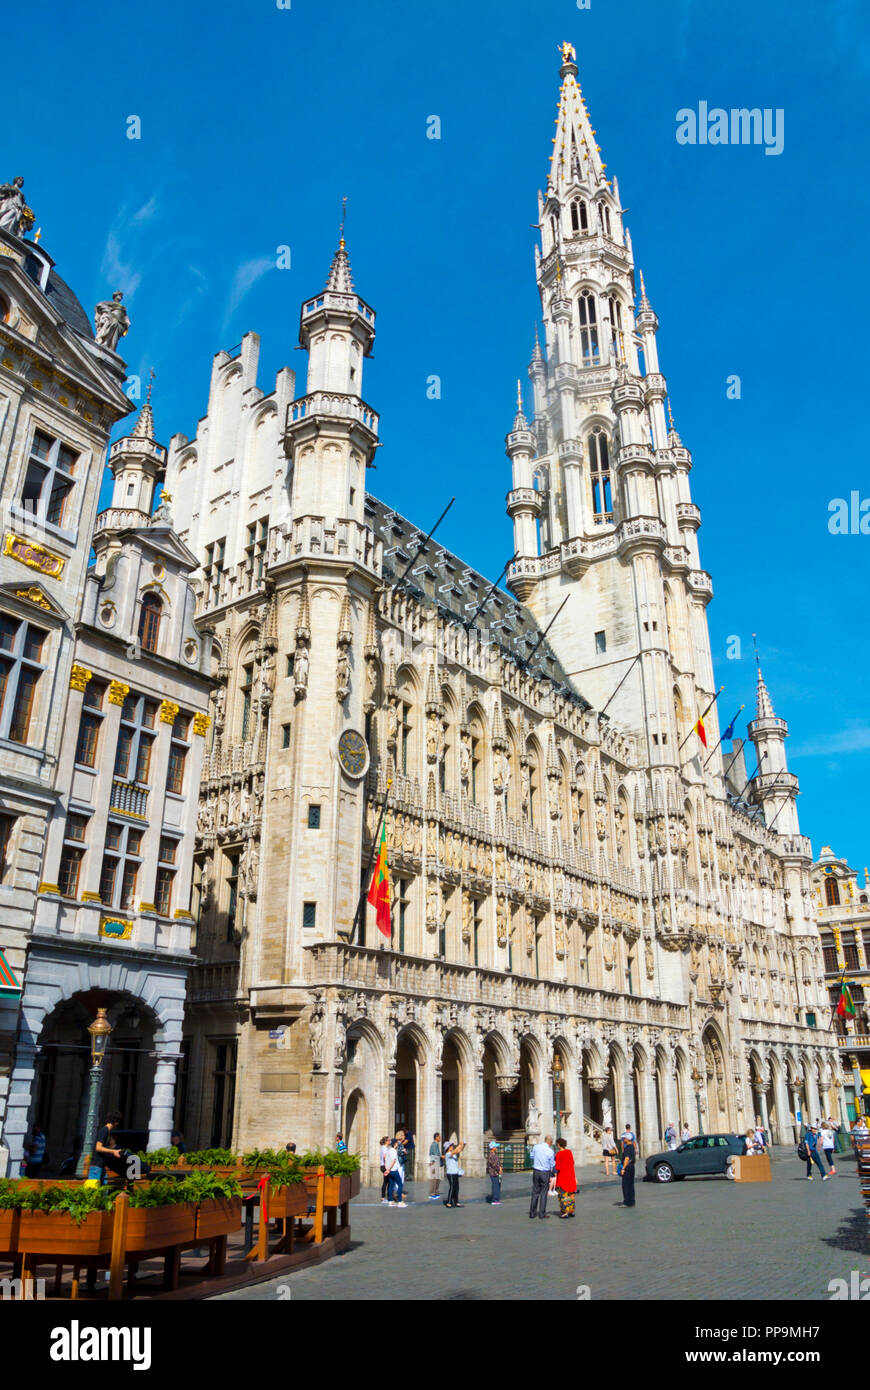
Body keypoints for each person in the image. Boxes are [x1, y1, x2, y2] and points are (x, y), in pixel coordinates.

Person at [92, 1110, 127, 1183]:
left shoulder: (107, 1131)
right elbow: (98, 1148)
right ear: (116, 1121)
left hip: (100, 1165)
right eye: (118, 1121)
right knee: (94, 1190)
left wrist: (115, 1150)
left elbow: (103, 1148)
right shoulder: (104, 1130)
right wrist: (113, 1151)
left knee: (104, 1190)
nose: (117, 1124)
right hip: (96, 1166)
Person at [529, 1134, 555, 1219]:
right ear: (550, 1142)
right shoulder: (550, 1151)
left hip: (536, 1171)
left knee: (535, 1191)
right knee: (543, 1193)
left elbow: (531, 1156)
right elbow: (552, 1164)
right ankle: (541, 1213)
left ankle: (532, 1213)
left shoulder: (536, 1147)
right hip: (545, 1172)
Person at [554, 1137, 577, 1218]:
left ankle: (565, 1212)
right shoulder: (569, 1152)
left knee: (564, 1195)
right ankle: (571, 1211)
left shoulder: (559, 1154)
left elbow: (557, 1167)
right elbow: (572, 1163)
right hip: (570, 1176)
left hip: (563, 1177)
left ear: (559, 1145)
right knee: (571, 1194)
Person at [443, 1140, 465, 1207]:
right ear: (448, 1148)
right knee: (452, 1187)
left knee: (457, 1188)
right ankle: (449, 1202)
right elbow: (455, 1151)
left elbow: (459, 1150)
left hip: (455, 1172)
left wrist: (463, 1144)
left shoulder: (453, 1154)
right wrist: (459, 1145)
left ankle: (456, 1202)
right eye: (451, 1146)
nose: (452, 1146)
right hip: (450, 1173)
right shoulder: (447, 1154)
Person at [618, 1132, 638, 1208]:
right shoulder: (632, 1147)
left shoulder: (627, 1148)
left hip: (627, 1167)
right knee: (631, 1185)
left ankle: (627, 1202)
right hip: (632, 1166)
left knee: (626, 1185)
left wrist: (623, 1168)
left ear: (627, 1139)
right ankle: (632, 1201)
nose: (623, 1139)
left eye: (624, 1138)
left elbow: (626, 1158)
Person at [383, 1140, 404, 1206]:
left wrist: (386, 1169)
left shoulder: (388, 1150)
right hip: (394, 1170)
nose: (398, 1144)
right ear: (395, 1144)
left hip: (389, 1170)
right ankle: (400, 1201)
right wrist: (388, 1169)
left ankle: (390, 1200)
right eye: (397, 1143)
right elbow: (393, 1161)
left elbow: (385, 1159)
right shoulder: (394, 1151)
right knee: (400, 1184)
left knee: (391, 1185)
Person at [486, 1141, 502, 1205]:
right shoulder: (491, 1155)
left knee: (497, 1185)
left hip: (496, 1172)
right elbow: (494, 1164)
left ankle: (496, 1199)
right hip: (494, 1173)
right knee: (495, 1186)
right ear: (493, 1148)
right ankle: (495, 1199)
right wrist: (499, 1169)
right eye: (495, 1146)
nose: (496, 1147)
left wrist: (500, 1167)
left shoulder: (493, 1154)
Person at [428, 1132, 443, 1200]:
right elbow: (436, 1154)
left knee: (436, 1177)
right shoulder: (434, 1144)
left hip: (436, 1162)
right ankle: (432, 1192)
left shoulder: (435, 1144)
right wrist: (442, 1156)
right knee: (434, 1177)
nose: (440, 1138)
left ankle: (435, 1191)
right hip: (434, 1162)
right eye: (439, 1137)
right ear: (436, 1137)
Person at [378, 1136, 391, 1204]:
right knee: (386, 1182)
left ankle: (386, 1197)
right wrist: (388, 1168)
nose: (390, 1141)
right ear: (386, 1141)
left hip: (383, 1166)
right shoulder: (384, 1148)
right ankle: (384, 1198)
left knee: (387, 1182)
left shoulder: (384, 1148)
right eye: (389, 1140)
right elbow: (385, 1157)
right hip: (385, 1166)